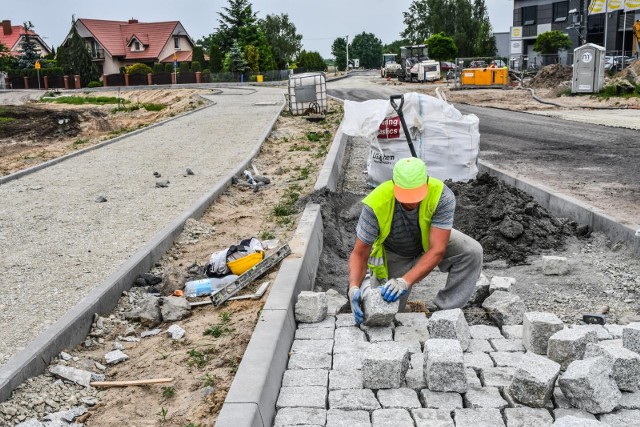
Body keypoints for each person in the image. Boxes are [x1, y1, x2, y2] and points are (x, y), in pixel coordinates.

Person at [348, 157, 483, 325]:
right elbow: (360, 254)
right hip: (395, 252)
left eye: (416, 196)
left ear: (426, 183)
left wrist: (404, 282)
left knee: (471, 251)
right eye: (406, 196)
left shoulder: (441, 195)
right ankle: (368, 282)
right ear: (394, 185)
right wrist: (353, 286)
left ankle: (447, 314)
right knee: (386, 314)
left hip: (431, 239)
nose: (412, 202)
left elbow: (437, 249)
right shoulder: (376, 203)